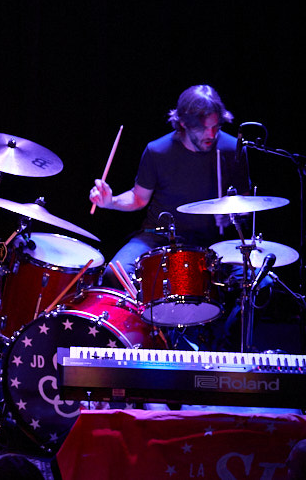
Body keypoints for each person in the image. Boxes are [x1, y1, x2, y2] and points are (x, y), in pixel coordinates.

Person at [88, 84, 251, 348]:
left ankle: (225, 350)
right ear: (184, 123)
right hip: (159, 236)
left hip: (212, 243)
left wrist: (236, 213)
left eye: (216, 126)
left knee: (258, 283)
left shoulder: (232, 149)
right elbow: (138, 199)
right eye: (203, 128)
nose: (212, 134)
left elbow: (247, 200)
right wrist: (110, 201)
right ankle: (151, 341)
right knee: (115, 272)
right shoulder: (158, 151)